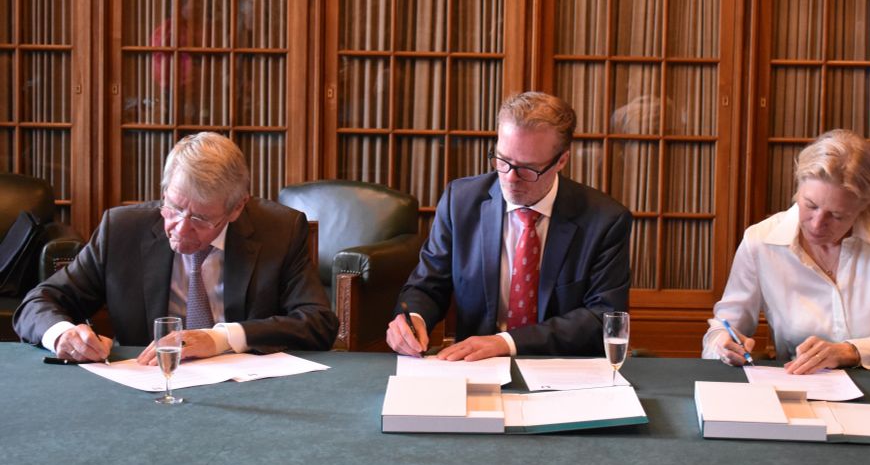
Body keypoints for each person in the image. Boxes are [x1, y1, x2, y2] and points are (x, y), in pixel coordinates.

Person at [14, 132, 338, 364]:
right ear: (165, 189)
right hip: (147, 386)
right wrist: (62, 334)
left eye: (199, 217)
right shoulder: (122, 230)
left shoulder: (279, 231)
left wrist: (219, 338)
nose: (180, 228)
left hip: (247, 389)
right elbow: (38, 302)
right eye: (173, 207)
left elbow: (318, 323)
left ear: (237, 209)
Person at [386, 91, 633, 361]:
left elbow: (603, 318)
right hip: (477, 366)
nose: (510, 178)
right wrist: (413, 318)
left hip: (563, 369)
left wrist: (506, 342)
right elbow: (428, 284)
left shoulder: (604, 219)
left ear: (561, 161)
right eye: (502, 160)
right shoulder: (462, 201)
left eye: (527, 169)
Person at [703, 129, 870, 374]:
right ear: (798, 189)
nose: (817, 224)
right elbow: (724, 327)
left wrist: (852, 351)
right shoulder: (761, 241)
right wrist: (722, 343)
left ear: (865, 209)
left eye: (837, 216)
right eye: (810, 205)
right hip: (802, 385)